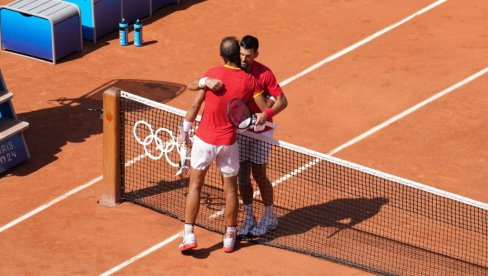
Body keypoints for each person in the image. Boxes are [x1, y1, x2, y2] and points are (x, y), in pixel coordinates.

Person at [188, 35, 288, 237]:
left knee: (259, 174)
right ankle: (249, 215)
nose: (244, 59)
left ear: (256, 55)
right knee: (242, 176)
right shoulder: (235, 70)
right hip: (240, 129)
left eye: (248, 56)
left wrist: (266, 114)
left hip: (262, 132)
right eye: (241, 55)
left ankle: (269, 216)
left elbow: (282, 101)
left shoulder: (265, 74)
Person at [179, 36, 269, 253]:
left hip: (204, 141)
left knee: (195, 186)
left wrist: (184, 133)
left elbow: (194, 103)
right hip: (228, 143)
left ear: (221, 55)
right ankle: (230, 236)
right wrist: (257, 119)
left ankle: (189, 234)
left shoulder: (212, 74)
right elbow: (265, 110)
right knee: (230, 191)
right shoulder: (250, 81)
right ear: (237, 55)